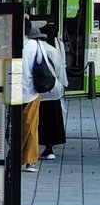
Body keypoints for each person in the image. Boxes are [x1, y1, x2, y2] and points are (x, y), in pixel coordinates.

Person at [16, 21, 48, 173]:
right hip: (31, 91)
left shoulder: (7, 43)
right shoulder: (36, 45)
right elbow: (44, 63)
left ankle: (14, 156)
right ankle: (29, 160)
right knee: (31, 127)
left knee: (12, 127)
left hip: (11, 91)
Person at [38, 21, 68, 161]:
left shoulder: (33, 48)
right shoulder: (53, 49)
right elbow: (58, 69)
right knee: (51, 120)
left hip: (36, 92)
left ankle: (31, 148)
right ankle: (49, 148)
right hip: (52, 90)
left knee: (37, 120)